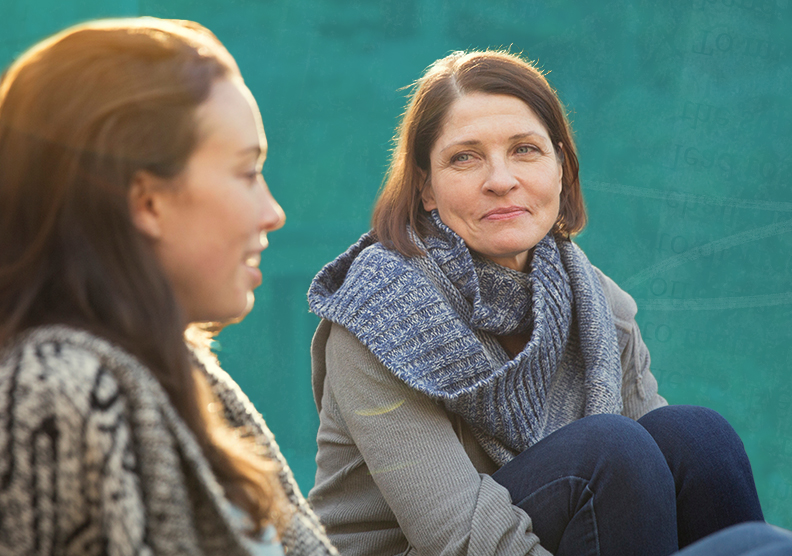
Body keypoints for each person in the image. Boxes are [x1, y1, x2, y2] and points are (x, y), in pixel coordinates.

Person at [307, 50, 769, 556]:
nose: (501, 179)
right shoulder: (379, 317)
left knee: (696, 438)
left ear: (561, 168)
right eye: (465, 158)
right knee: (610, 452)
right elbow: (460, 539)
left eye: (525, 150)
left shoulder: (596, 305)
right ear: (426, 189)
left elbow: (660, 490)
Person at [0, 18, 337, 556]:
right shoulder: (53, 390)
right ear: (147, 202)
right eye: (247, 172)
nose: (273, 212)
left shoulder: (183, 374)